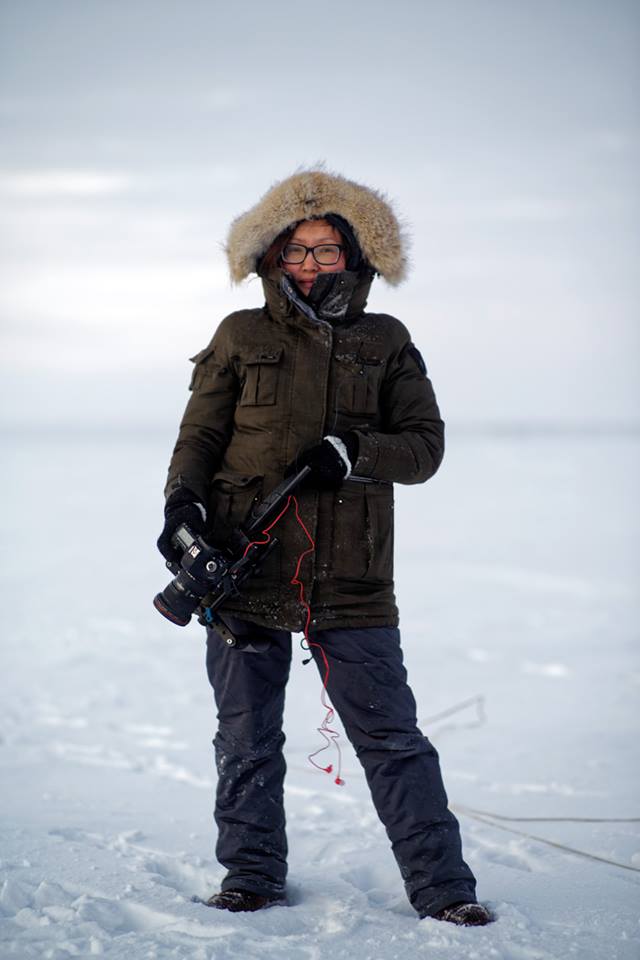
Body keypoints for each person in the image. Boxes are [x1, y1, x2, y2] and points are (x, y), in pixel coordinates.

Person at [157, 169, 492, 926]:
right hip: (241, 567)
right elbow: (199, 439)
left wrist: (355, 451)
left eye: (328, 251)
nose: (310, 265)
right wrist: (181, 510)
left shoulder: (387, 341)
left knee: (391, 738)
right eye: (297, 251)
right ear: (274, 257)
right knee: (245, 736)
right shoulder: (240, 335)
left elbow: (425, 448)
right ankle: (249, 876)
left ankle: (444, 889)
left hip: (352, 576)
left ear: (357, 257)